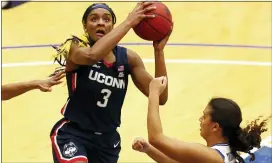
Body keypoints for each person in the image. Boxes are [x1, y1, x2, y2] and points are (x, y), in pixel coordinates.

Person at [50, 2, 172, 163]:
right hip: (74, 133)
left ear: (113, 26)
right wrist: (129, 22)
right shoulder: (76, 47)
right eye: (94, 19)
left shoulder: (129, 59)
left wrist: (159, 51)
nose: (100, 22)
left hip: (107, 141)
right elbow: (92, 56)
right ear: (85, 26)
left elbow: (160, 96)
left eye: (106, 19)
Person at [132, 76, 270, 163]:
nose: (200, 120)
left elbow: (156, 138)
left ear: (215, 126)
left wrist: (154, 92)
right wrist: (149, 149)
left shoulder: (211, 156)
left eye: (204, 116)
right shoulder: (225, 152)